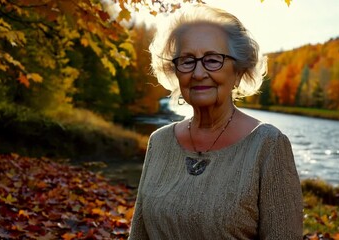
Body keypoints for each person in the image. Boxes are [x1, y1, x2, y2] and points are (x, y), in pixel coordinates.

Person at [128, 4, 303, 239]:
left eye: (213, 59)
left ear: (239, 71)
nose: (198, 73)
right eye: (187, 60)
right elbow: (139, 234)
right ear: (175, 71)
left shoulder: (268, 146)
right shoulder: (159, 142)